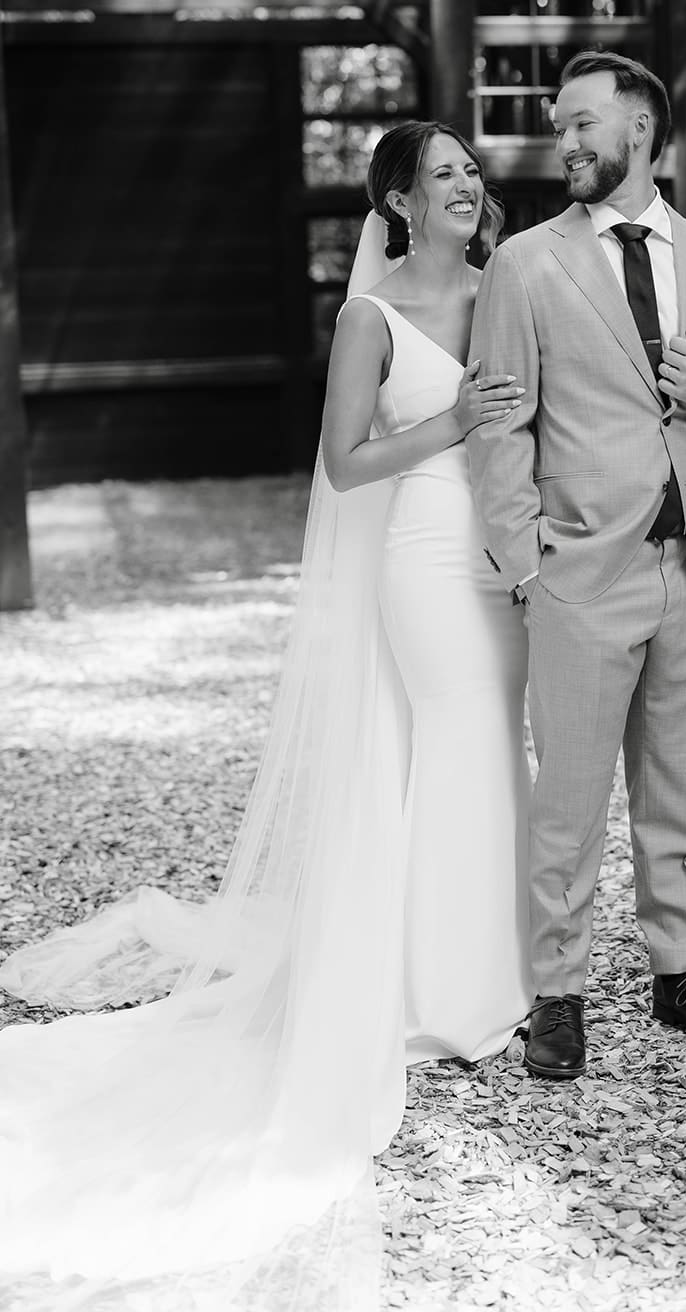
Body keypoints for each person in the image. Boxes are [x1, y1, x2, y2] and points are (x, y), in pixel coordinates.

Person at [0, 120, 531, 1310]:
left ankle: (481, 976)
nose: (465, 185)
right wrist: (452, 422)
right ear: (395, 199)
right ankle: (427, 999)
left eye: (469, 172)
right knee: (451, 747)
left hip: (500, 560)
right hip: (419, 558)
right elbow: (343, 463)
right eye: (441, 173)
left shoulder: (507, 287)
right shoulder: (369, 317)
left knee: (492, 751)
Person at [467, 51, 686, 1081]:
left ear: (639, 131)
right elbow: (497, 426)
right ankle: (554, 994)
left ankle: (679, 974)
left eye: (578, 123)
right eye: (559, 126)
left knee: (673, 796)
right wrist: (526, 562)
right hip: (576, 575)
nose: (562, 142)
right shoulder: (524, 263)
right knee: (566, 802)